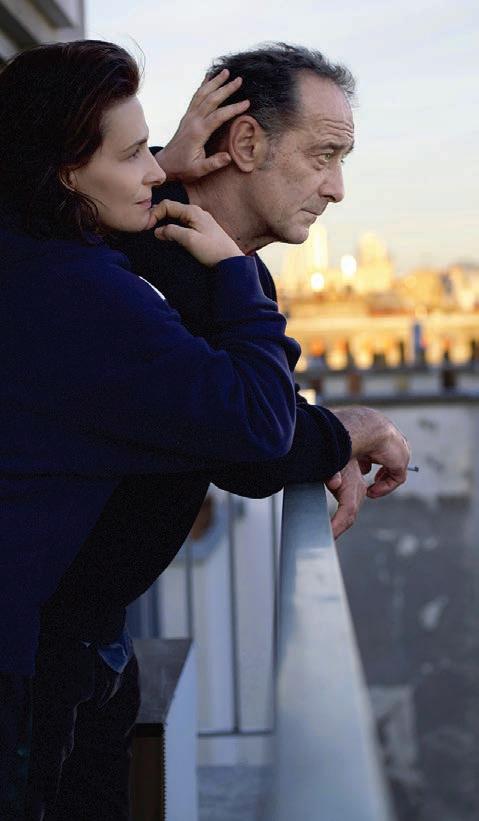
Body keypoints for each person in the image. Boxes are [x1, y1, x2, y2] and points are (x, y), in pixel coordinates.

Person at [0, 40, 306, 819]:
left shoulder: (31, 255)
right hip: (25, 667)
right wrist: (234, 270)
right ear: (66, 172)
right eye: (133, 152)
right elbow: (258, 427)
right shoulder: (79, 295)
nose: (155, 171)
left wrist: (158, 165)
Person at [118, 42, 412, 532]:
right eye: (324, 156)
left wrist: (327, 441)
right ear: (248, 144)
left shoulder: (243, 271)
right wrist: (358, 429)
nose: (337, 189)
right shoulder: (136, 250)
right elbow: (257, 449)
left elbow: (274, 413)